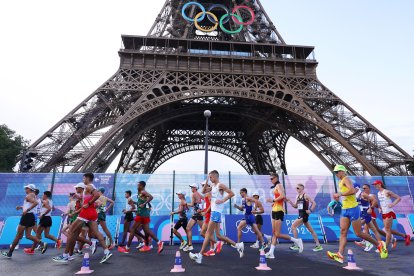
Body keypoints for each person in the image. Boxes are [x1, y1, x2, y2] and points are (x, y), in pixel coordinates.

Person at [327, 165, 387, 264]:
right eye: (335, 172)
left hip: (353, 209)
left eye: (337, 172)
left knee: (358, 233)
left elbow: (352, 191)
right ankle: (340, 255)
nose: (336, 174)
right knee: (343, 232)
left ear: (342, 171)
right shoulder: (340, 181)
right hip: (345, 209)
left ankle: (379, 245)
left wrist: (340, 194)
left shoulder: (346, 179)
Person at [53, 173, 112, 263]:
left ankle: (65, 256)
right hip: (92, 213)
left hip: (86, 213)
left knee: (71, 232)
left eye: (84, 178)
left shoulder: (88, 186)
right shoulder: (89, 187)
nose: (83, 179)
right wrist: (80, 198)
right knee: (96, 232)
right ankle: (106, 251)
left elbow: (96, 195)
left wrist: (88, 204)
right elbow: (92, 198)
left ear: (87, 178)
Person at [189, 170, 244, 264]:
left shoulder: (220, 185)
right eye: (209, 177)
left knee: (207, 234)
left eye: (210, 177)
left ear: (215, 177)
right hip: (215, 212)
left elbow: (231, 193)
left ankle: (199, 255)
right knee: (218, 235)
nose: (210, 179)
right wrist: (206, 180)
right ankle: (238, 246)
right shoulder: (213, 186)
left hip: (216, 212)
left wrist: (222, 200)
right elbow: (202, 191)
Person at [1, 184, 47, 258]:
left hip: (27, 216)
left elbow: (35, 203)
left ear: (30, 189)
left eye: (26, 188)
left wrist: (27, 210)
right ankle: (42, 243)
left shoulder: (28, 196)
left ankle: (10, 253)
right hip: (32, 216)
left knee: (18, 236)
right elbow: (32, 204)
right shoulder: (34, 196)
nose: (25, 189)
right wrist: (22, 207)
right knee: (28, 235)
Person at [118, 181, 164, 254]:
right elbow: (140, 203)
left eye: (138, 185)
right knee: (147, 230)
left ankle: (127, 248)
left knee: (132, 229)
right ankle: (159, 242)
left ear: (142, 186)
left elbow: (151, 197)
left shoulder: (143, 192)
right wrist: (134, 202)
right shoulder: (140, 193)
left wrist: (144, 204)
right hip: (144, 214)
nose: (137, 186)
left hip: (141, 214)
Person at [265, 173, 303, 259]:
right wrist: (274, 202)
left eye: (272, 178)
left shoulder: (279, 185)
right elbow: (281, 198)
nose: (271, 180)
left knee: (277, 234)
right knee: (274, 233)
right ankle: (271, 253)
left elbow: (282, 195)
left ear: (276, 178)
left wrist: (273, 200)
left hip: (279, 210)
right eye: (270, 179)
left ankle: (297, 240)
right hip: (274, 210)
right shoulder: (276, 186)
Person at [372, 180, 411, 247]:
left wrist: (393, 204)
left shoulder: (387, 192)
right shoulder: (378, 193)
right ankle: (405, 236)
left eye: (376, 184)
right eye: (374, 185)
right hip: (384, 213)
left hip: (389, 212)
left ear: (380, 184)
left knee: (387, 230)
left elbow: (398, 198)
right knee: (388, 229)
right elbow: (382, 203)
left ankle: (385, 247)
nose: (375, 186)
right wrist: (380, 208)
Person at [286, 183, 323, 252]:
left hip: (304, 215)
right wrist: (289, 201)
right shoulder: (297, 196)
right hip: (300, 214)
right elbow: (295, 206)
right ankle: (318, 245)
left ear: (302, 188)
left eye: (298, 188)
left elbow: (314, 203)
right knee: (311, 230)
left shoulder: (305, 195)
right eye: (296, 188)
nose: (297, 189)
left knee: (293, 227)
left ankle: (296, 244)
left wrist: (310, 210)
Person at [199, 182, 218, 257]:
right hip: (208, 214)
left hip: (209, 215)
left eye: (203, 185)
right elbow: (208, 205)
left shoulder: (208, 193)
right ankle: (212, 249)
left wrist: (205, 212)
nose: (203, 187)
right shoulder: (208, 193)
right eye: (202, 185)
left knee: (203, 233)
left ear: (207, 186)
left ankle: (216, 243)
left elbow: (211, 205)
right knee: (209, 233)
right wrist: (202, 211)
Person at [183, 183, 204, 252]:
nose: (191, 188)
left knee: (203, 232)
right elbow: (203, 200)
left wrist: (186, 204)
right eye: (191, 187)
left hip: (197, 214)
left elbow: (192, 205)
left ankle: (214, 243)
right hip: (196, 214)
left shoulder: (194, 194)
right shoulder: (199, 194)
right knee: (188, 228)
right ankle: (190, 245)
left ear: (195, 188)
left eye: (192, 187)